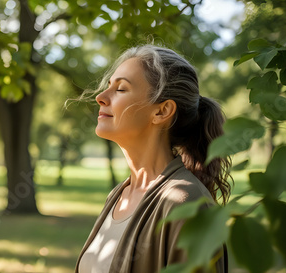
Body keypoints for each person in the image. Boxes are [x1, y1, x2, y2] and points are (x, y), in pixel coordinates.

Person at [75, 44, 231, 273]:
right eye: (109, 86)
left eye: (120, 89)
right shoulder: (119, 195)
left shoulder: (184, 203)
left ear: (162, 111)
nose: (100, 97)